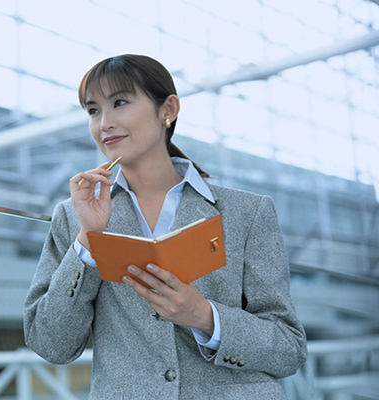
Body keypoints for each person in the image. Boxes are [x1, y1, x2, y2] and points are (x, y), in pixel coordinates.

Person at [24, 54, 307, 399]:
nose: (105, 123)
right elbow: (50, 343)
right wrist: (87, 242)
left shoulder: (247, 213)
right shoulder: (74, 215)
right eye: (93, 110)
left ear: (167, 109)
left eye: (120, 102)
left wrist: (206, 317)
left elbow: (289, 348)